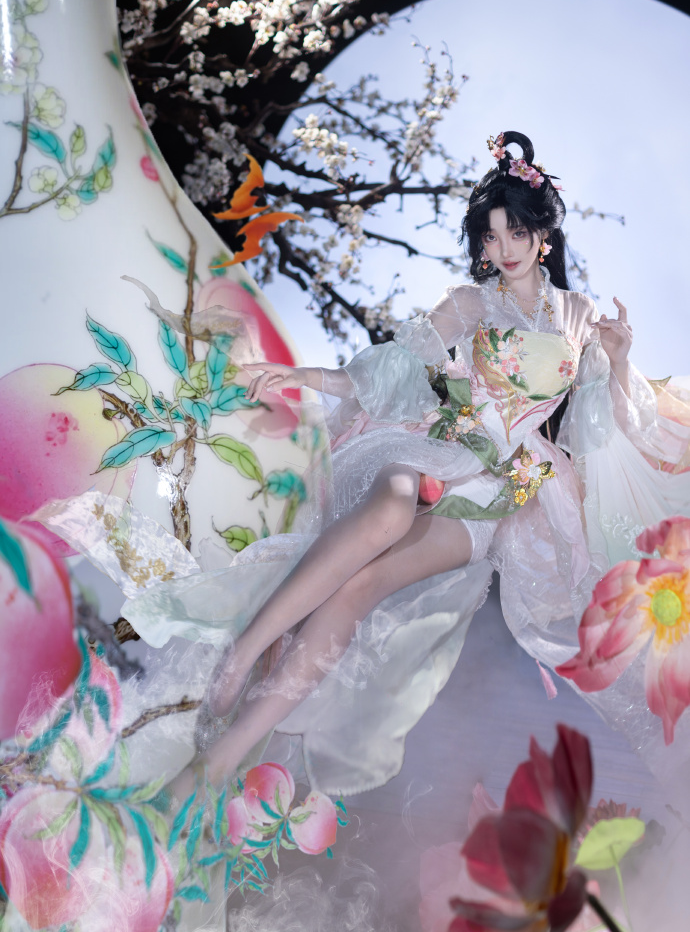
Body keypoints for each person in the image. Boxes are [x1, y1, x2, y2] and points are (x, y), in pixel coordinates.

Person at [125, 131, 690, 804]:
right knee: (391, 510)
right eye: (491, 236)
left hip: (502, 486)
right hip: (432, 439)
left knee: (362, 590)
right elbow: (391, 369)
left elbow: (606, 426)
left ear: (543, 235)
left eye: (516, 232)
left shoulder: (581, 318)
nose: (503, 249)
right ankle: (246, 649)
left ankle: (222, 759)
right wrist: (304, 376)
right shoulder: (470, 302)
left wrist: (619, 361)